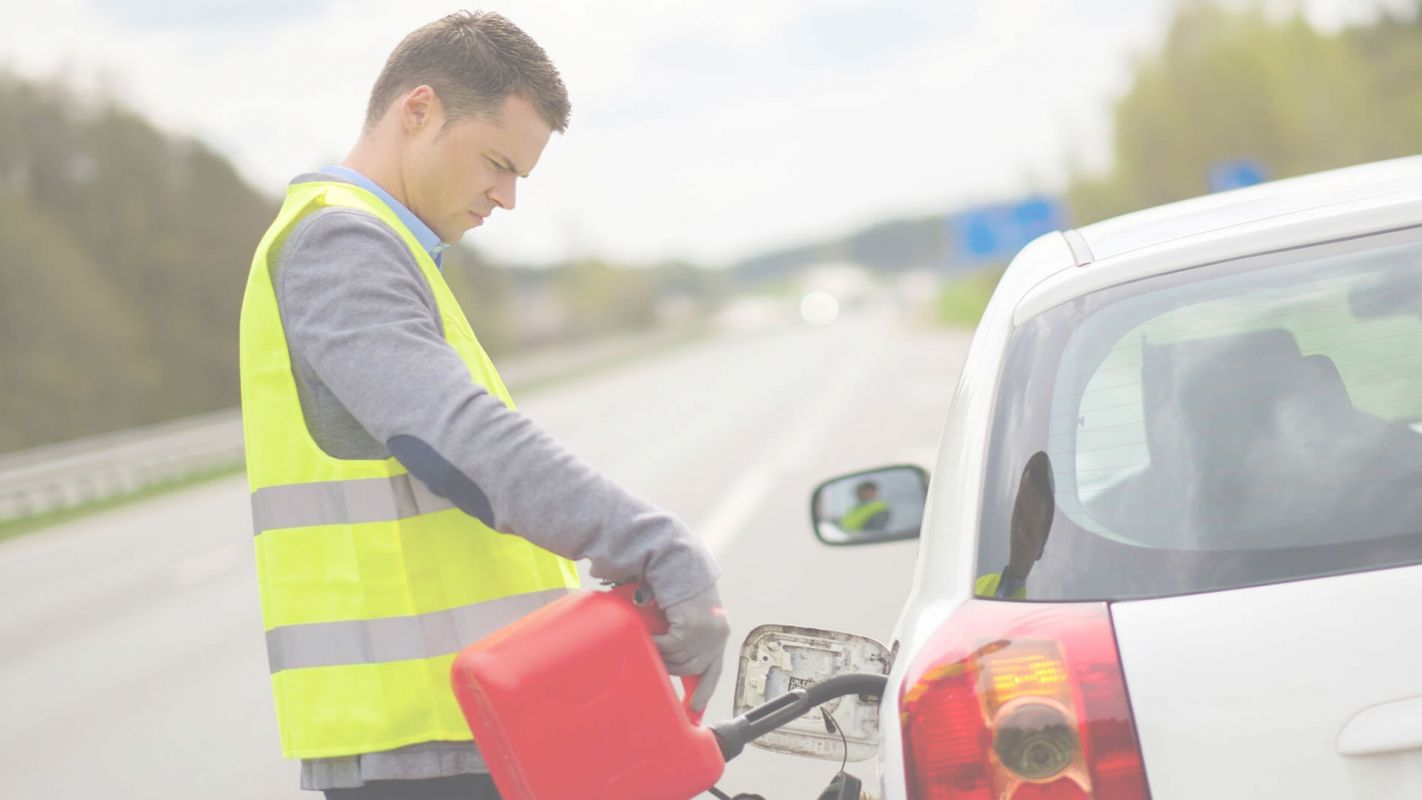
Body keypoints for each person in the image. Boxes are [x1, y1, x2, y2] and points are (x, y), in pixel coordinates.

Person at [237, 12, 729, 799]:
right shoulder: (342, 244)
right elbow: (456, 439)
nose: (505, 199)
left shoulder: (388, 248)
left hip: (467, 727)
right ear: (418, 110)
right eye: (497, 164)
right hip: (419, 745)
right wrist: (652, 544)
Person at [975, 451, 1055, 599]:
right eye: (1019, 514)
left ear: (1043, 542)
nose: (1019, 533)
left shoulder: (1044, 599)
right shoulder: (978, 588)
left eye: (1027, 529)